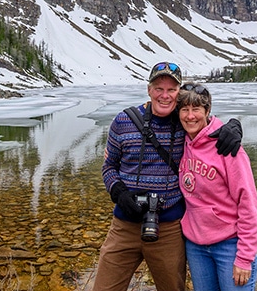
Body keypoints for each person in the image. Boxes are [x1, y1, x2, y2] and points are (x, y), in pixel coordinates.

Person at [93, 62, 242, 291]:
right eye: (159, 88)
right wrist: (118, 192)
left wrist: (232, 127)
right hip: (124, 226)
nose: (165, 95)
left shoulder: (185, 120)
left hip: (169, 229)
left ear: (179, 92)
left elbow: (208, 125)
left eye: (171, 89)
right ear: (149, 89)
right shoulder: (123, 121)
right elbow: (109, 165)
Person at [177, 82, 257, 291]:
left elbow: (248, 204)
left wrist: (245, 257)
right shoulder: (181, 141)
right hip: (196, 246)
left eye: (196, 109)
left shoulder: (227, 147)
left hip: (229, 245)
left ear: (207, 111)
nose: (190, 116)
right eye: (184, 110)